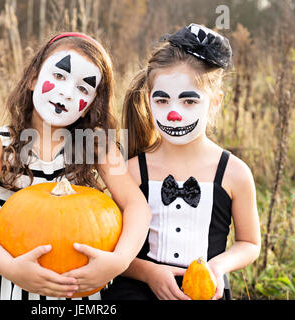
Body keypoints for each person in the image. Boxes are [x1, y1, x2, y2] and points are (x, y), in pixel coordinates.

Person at [0, 32, 151, 300]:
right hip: (13, 284)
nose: (66, 93)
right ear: (33, 78)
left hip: (80, 290)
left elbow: (136, 206)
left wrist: (119, 261)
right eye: (59, 75)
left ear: (89, 106)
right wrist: (11, 269)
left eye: (83, 88)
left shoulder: (96, 147)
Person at [101, 24, 260, 300]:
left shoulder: (234, 173)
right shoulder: (132, 171)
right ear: (148, 101)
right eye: (162, 101)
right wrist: (149, 273)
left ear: (215, 103)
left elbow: (249, 242)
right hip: (137, 291)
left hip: (206, 291)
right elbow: (111, 247)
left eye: (188, 102)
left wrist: (217, 266)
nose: (174, 113)